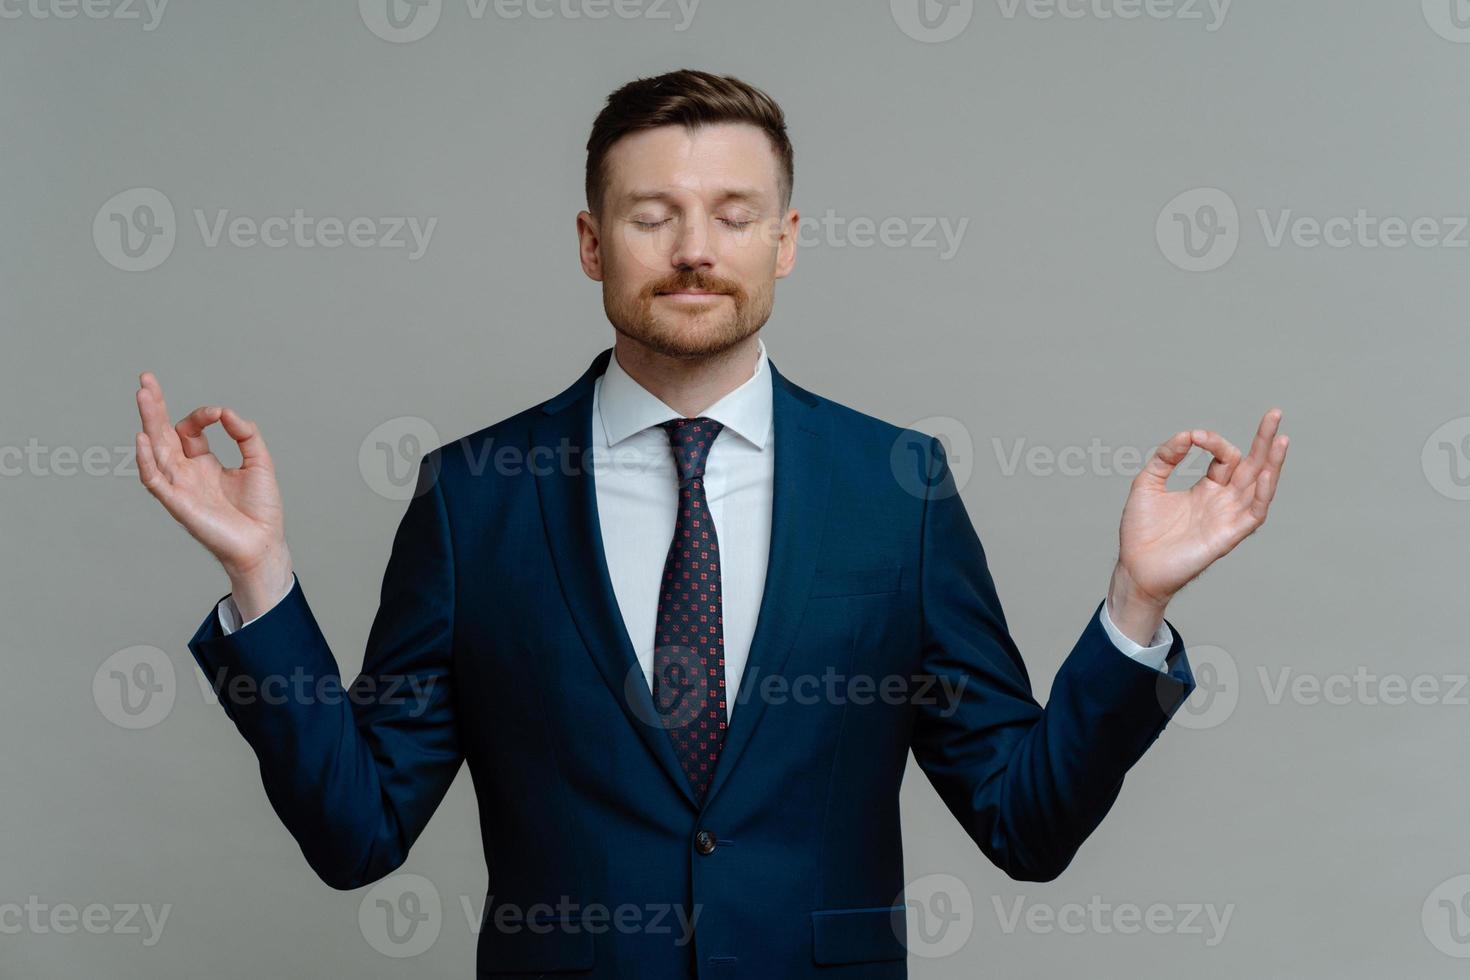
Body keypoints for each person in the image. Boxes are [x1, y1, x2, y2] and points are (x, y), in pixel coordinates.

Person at [133, 68, 1288, 978]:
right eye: (653, 215)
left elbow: (1024, 823)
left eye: (733, 214)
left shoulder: (899, 487)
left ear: (784, 242)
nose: (694, 247)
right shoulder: (474, 493)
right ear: (593, 244)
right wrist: (261, 579)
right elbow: (357, 832)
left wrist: (1137, 605)